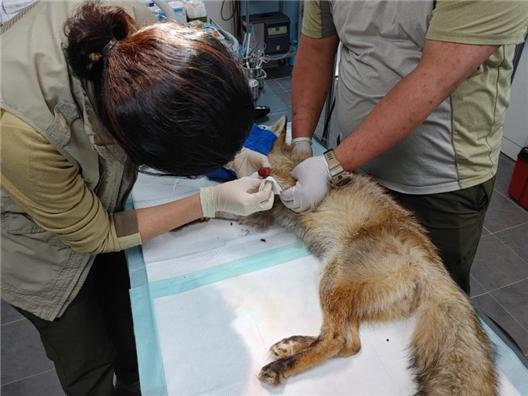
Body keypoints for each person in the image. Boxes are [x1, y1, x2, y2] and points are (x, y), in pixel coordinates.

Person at [0, 1, 273, 394]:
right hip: (31, 246)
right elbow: (95, 235)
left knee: (128, 319)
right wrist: (208, 201)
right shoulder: (18, 130)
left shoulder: (126, 22)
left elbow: (180, 95)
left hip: (92, 195)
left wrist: (230, 149)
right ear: (130, 140)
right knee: (87, 357)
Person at [280, 0, 528, 294]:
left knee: (427, 308)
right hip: (354, 169)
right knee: (353, 289)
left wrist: (331, 164)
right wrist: (301, 141)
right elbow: (316, 47)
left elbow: (435, 78)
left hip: (439, 187)